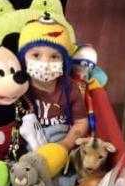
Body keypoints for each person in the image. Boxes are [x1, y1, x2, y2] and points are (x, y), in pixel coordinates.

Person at [18, 14, 89, 151]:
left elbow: (81, 121)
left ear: (64, 62)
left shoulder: (69, 87)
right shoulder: (19, 88)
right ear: (23, 58)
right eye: (36, 55)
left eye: (54, 56)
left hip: (61, 144)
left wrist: (66, 145)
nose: (45, 63)